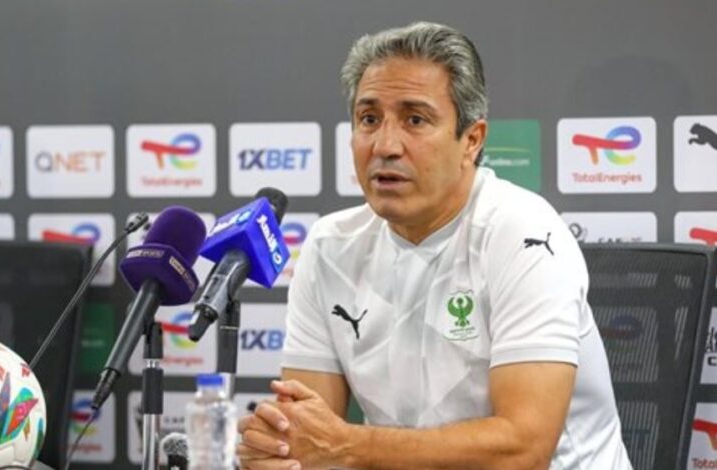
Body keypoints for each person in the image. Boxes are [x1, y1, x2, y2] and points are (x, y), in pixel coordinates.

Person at [238, 22, 632, 469]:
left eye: (415, 120)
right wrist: (279, 450)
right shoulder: (330, 247)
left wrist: (346, 446)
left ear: (471, 141)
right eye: (369, 119)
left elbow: (523, 450)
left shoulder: (523, 233)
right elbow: (310, 437)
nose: (385, 145)